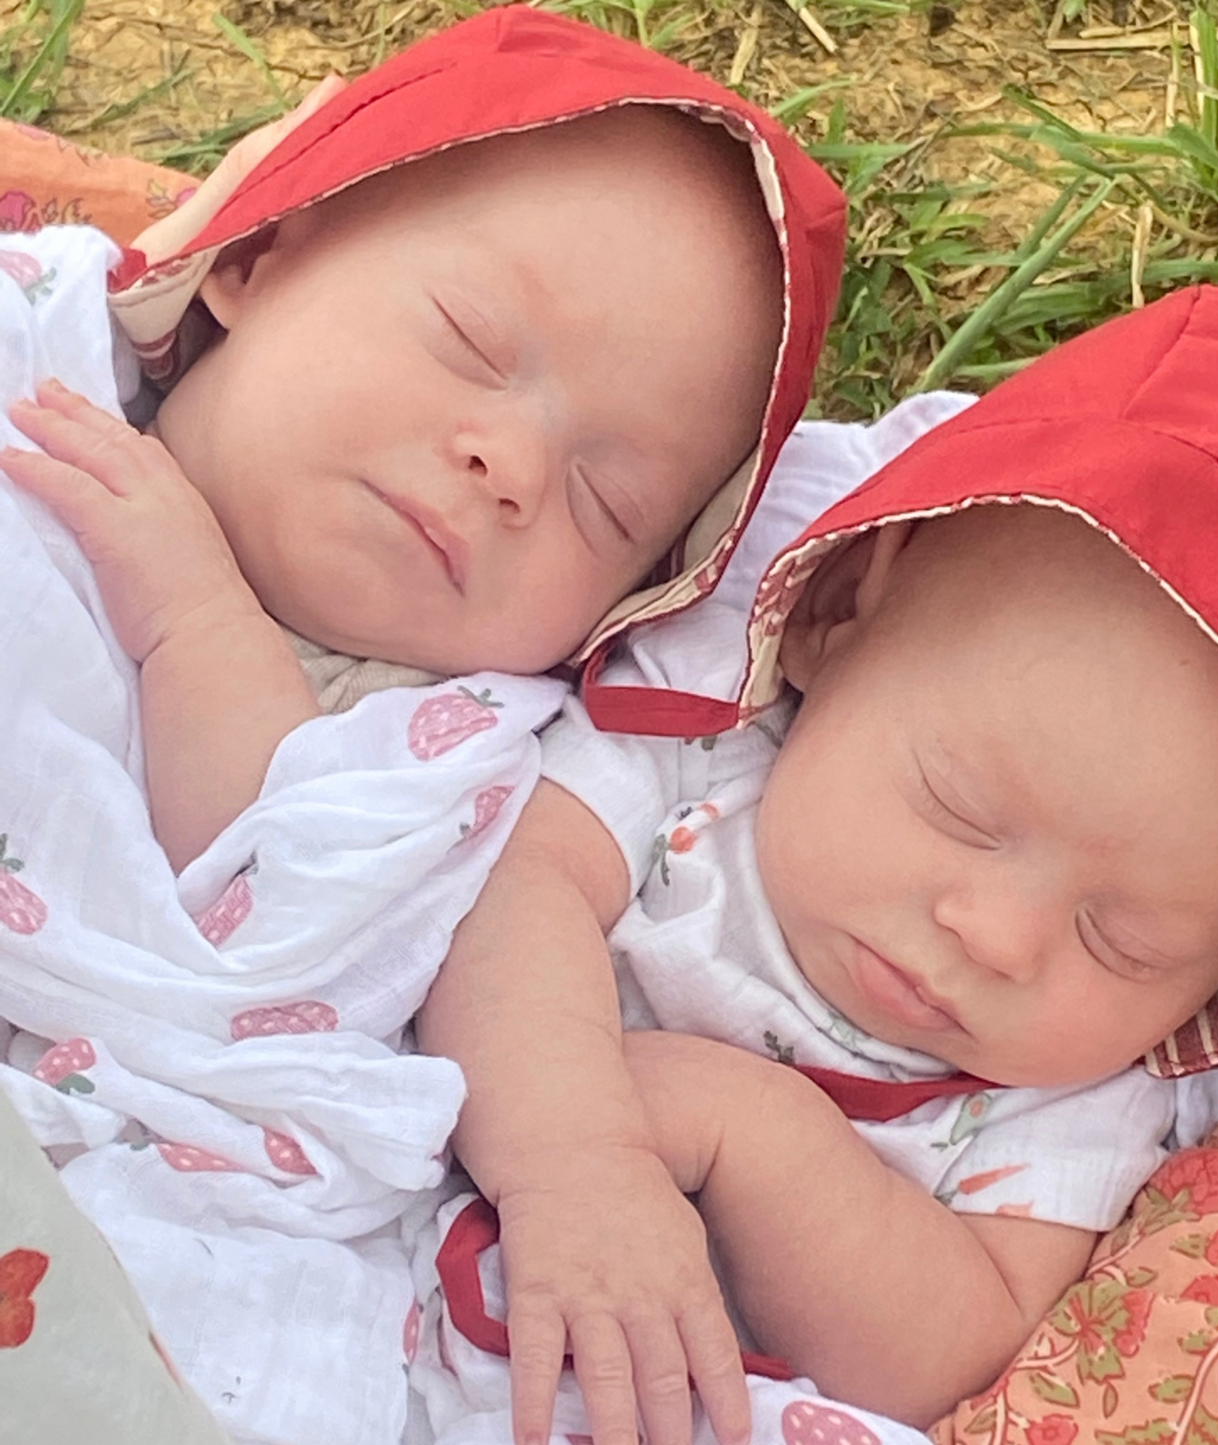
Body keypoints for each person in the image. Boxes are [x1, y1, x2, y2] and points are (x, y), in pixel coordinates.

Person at [418, 285, 1218, 1445]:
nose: (995, 934)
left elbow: (954, 1348)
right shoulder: (703, 758)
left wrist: (753, 1131)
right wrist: (574, 1159)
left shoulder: (1071, 1096)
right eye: (956, 807)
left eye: (1124, 939)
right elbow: (502, 890)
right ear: (840, 617)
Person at [0, 6, 844, 874]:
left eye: (607, 505)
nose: (511, 466)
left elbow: (265, 889)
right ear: (254, 258)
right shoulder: (41, 352)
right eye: (470, 339)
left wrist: (197, 616)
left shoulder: (437, 744)